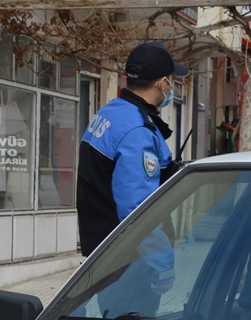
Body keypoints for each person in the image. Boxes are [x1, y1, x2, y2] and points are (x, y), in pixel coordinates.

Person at [77, 41, 188, 257]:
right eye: (172, 80)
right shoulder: (137, 130)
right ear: (162, 83)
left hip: (103, 254)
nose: (172, 86)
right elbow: (137, 213)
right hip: (127, 262)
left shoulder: (110, 113)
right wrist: (162, 264)